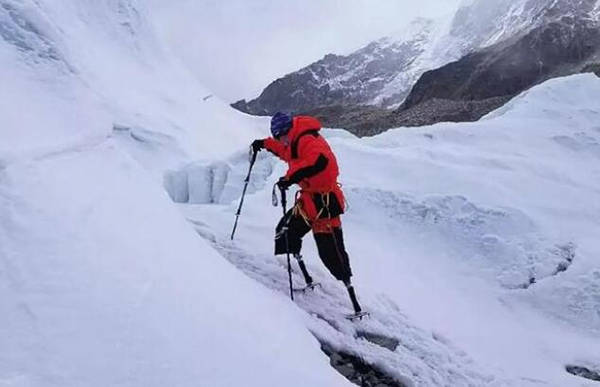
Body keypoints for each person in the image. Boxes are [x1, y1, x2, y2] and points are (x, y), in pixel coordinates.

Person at [251, 112, 364, 316]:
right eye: (276, 137)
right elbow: (284, 151)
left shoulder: (307, 140)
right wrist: (264, 143)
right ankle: (307, 278)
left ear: (288, 130)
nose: (280, 140)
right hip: (309, 201)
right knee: (286, 232)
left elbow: (318, 162)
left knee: (331, 253)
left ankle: (354, 302)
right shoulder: (291, 142)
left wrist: (290, 177)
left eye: (280, 136)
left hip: (325, 202)